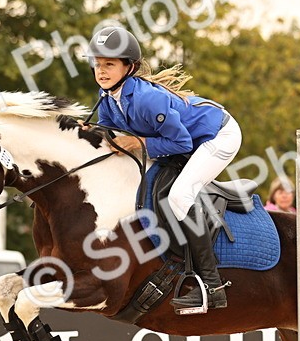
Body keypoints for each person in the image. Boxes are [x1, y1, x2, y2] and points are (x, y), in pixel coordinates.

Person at [87, 26, 241, 314]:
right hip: (186, 140)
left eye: (109, 64)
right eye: (97, 64)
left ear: (129, 67)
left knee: (180, 196)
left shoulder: (147, 99)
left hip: (217, 136)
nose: (101, 71)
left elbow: (181, 143)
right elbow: (110, 134)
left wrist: (138, 142)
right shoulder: (106, 96)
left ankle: (213, 286)